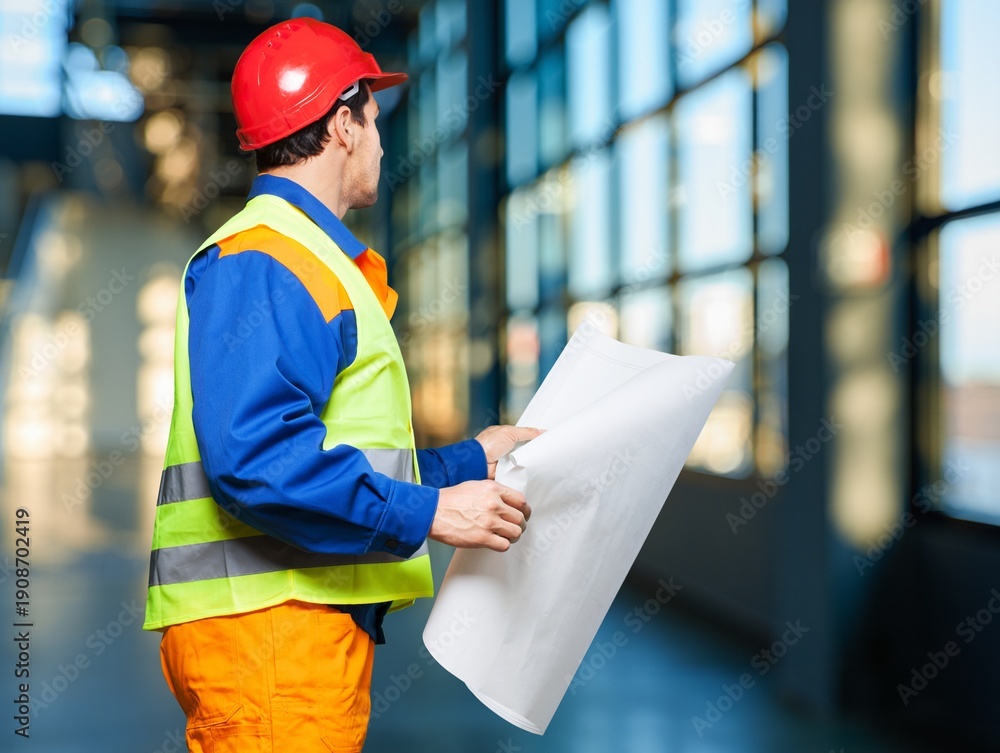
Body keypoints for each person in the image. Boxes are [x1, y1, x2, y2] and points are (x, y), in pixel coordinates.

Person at [142, 17, 540, 753]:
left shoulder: (303, 259)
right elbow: (256, 462)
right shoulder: (271, 260)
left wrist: (469, 461)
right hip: (270, 636)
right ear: (342, 123)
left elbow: (339, 449)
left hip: (288, 632)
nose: (383, 143)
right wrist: (429, 513)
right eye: (375, 121)